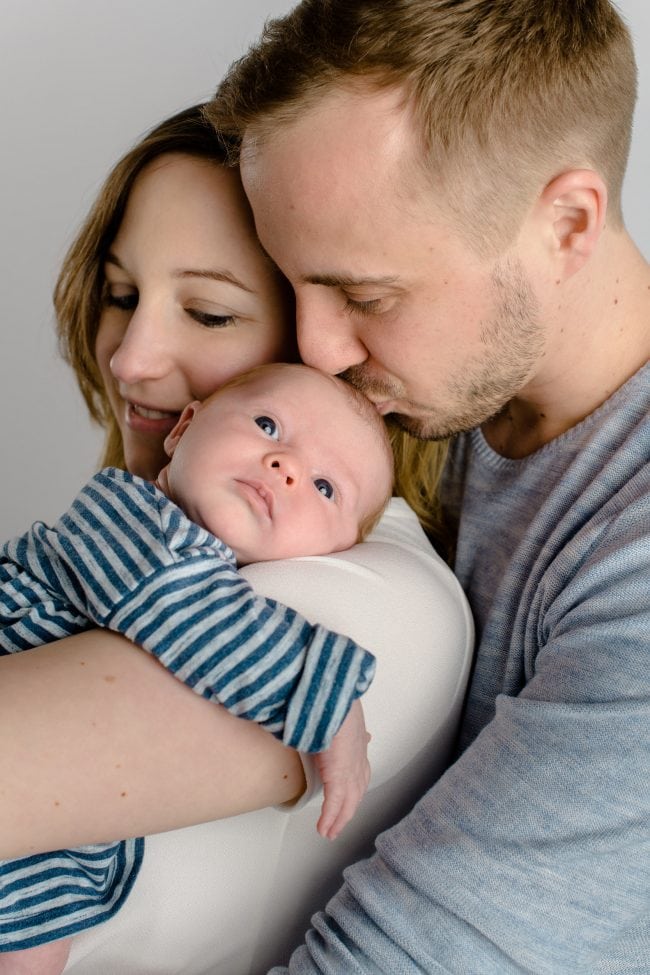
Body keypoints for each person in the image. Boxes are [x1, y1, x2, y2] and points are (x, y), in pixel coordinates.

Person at [207, 0, 650, 971]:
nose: (316, 348)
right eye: (292, 285)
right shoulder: (391, 392)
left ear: (565, 223)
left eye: (365, 295)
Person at [0, 105, 473, 973]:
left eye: (209, 313)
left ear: (320, 339)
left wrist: (318, 686)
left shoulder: (366, 601)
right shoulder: (142, 524)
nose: (132, 358)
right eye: (120, 294)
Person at [0, 361, 394, 973]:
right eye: (268, 425)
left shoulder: (344, 593)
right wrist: (330, 702)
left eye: (324, 488)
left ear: (337, 553)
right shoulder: (125, 518)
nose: (286, 466)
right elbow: (187, 609)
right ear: (184, 428)